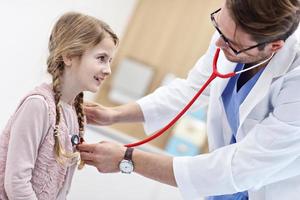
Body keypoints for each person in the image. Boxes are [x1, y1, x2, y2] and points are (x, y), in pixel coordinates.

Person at [78, 0, 300, 199]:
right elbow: (191, 89)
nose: (219, 45)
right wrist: (114, 115)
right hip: (223, 189)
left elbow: (242, 167)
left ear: (275, 46)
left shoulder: (295, 73)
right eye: (219, 28)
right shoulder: (232, 31)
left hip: (268, 189)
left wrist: (127, 158)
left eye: (233, 44)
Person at [0, 12, 118, 200]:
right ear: (69, 56)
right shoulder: (38, 106)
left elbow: (61, 189)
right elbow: (16, 183)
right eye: (101, 58)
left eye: (109, 61)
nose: (108, 70)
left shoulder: (74, 115)